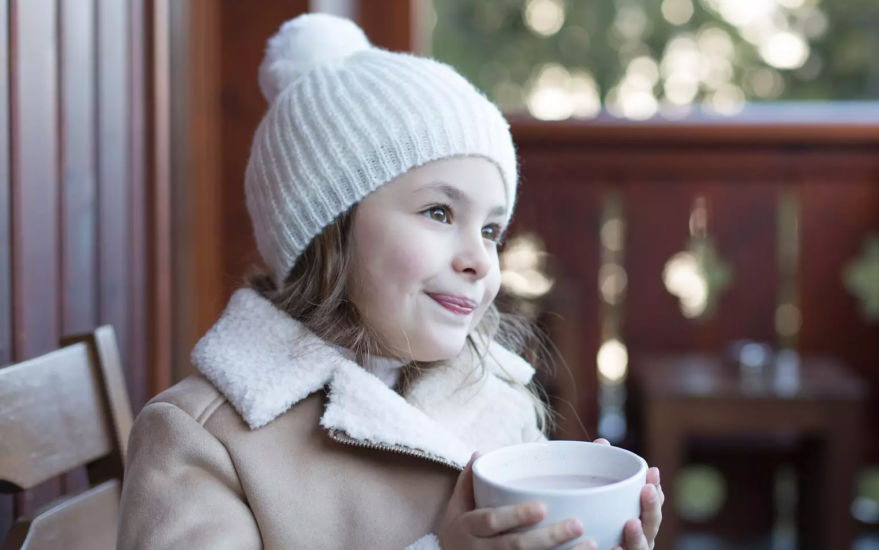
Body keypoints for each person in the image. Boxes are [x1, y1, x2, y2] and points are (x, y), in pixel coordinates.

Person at [117, 12, 664, 550]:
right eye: (439, 213)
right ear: (328, 231)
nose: (480, 259)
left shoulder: (496, 396)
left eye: (492, 228)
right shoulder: (204, 439)